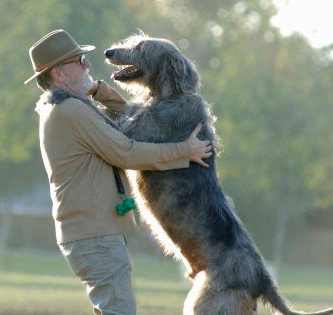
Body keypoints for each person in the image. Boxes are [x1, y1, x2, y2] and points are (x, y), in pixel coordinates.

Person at [24, 29, 212, 315]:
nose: (88, 64)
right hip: (95, 236)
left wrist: (100, 92)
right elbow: (127, 150)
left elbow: (127, 119)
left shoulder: (66, 108)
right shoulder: (72, 111)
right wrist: (184, 151)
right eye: (78, 61)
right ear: (59, 74)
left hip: (94, 234)